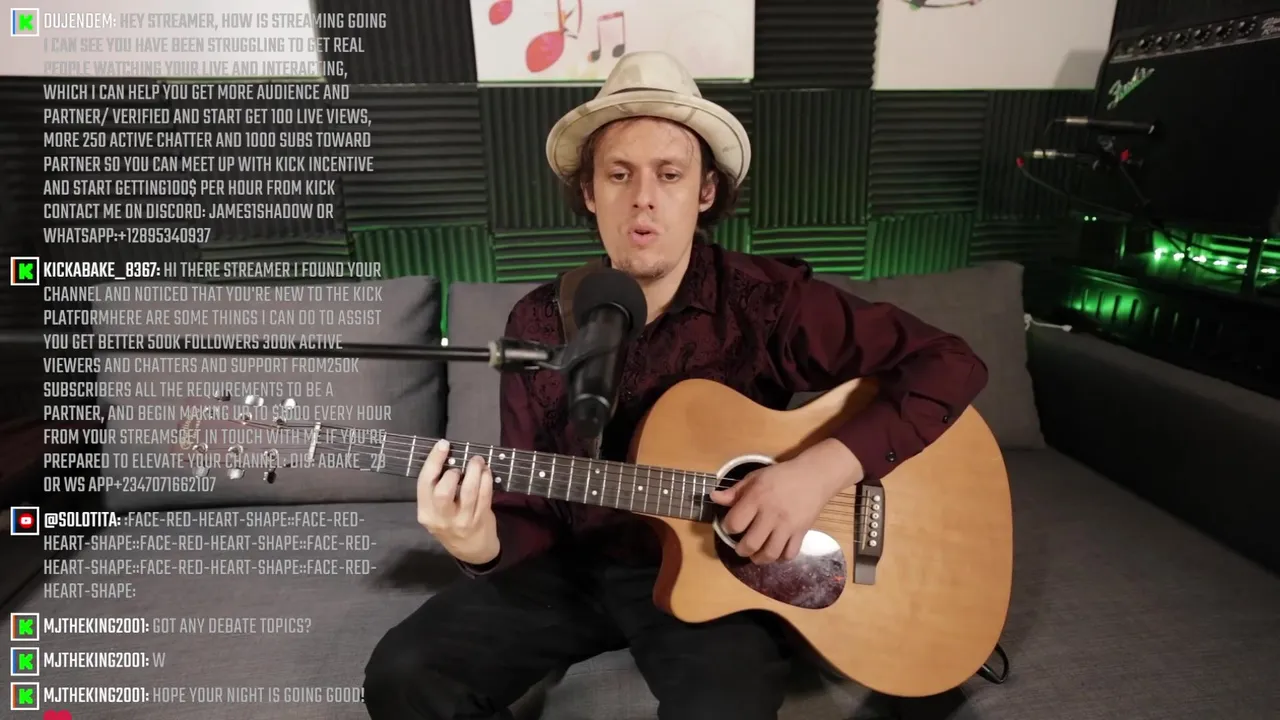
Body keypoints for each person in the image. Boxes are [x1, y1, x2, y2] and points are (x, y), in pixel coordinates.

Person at [364, 51, 989, 720]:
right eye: (619, 174)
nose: (644, 198)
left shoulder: (766, 301)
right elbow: (529, 509)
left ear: (705, 192)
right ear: (589, 192)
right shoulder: (539, 322)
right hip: (573, 572)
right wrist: (478, 545)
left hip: (714, 573)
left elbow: (950, 362)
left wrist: (820, 471)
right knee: (403, 676)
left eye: (669, 174)